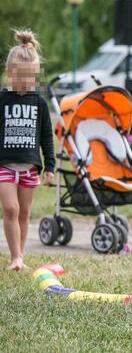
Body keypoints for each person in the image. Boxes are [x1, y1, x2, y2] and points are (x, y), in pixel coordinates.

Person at [0, 30, 54, 271]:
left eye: (29, 77)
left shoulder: (39, 103)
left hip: (29, 168)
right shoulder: (2, 100)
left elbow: (46, 136)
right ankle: (15, 257)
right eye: (20, 77)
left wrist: (50, 166)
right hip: (5, 166)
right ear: (9, 73)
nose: (24, 83)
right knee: (11, 209)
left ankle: (20, 255)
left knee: (24, 214)